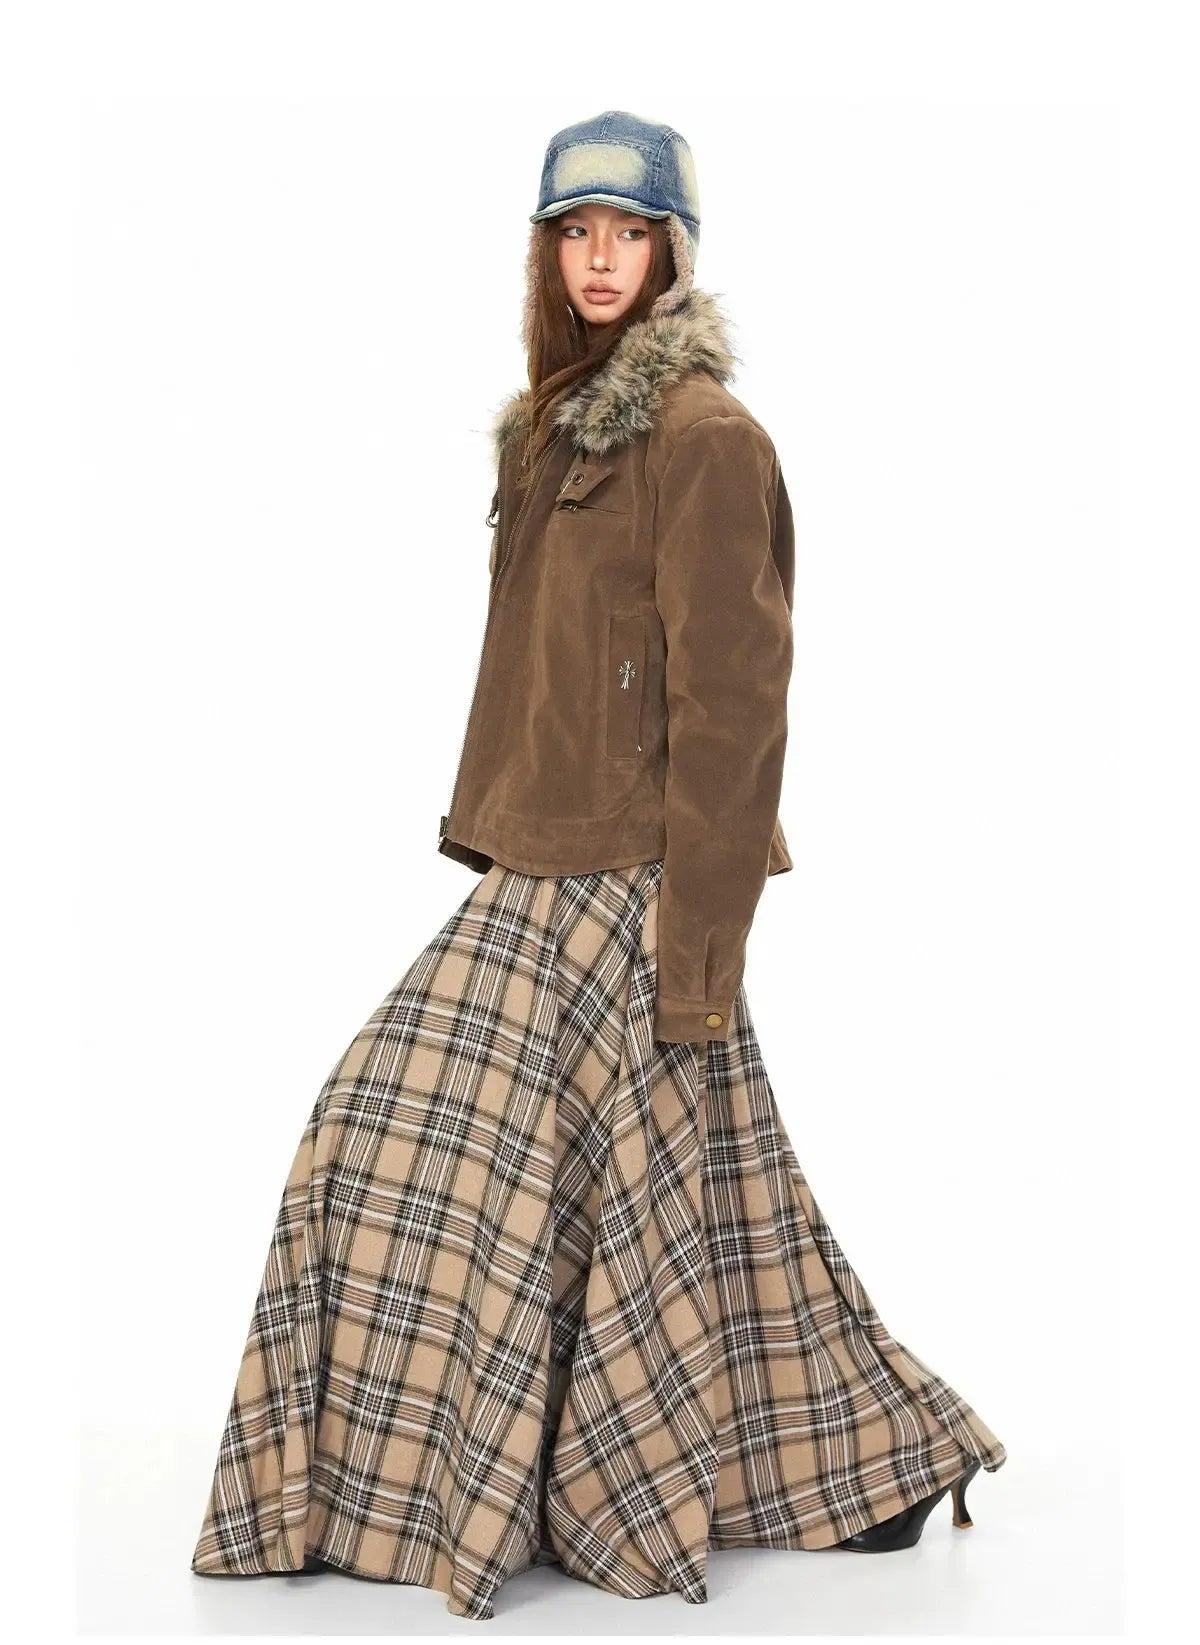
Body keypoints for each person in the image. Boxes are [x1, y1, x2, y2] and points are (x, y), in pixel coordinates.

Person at [190, 110, 1006, 1622]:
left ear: (674, 251)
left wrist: (696, 954)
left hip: (633, 883)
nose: (603, 259)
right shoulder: (557, 427)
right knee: (691, 1201)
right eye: (577, 233)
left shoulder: (703, 440)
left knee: (414, 1136)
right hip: (543, 861)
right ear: (546, 253)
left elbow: (738, 711)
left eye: (631, 232)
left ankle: (824, 1462)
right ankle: (863, 1463)